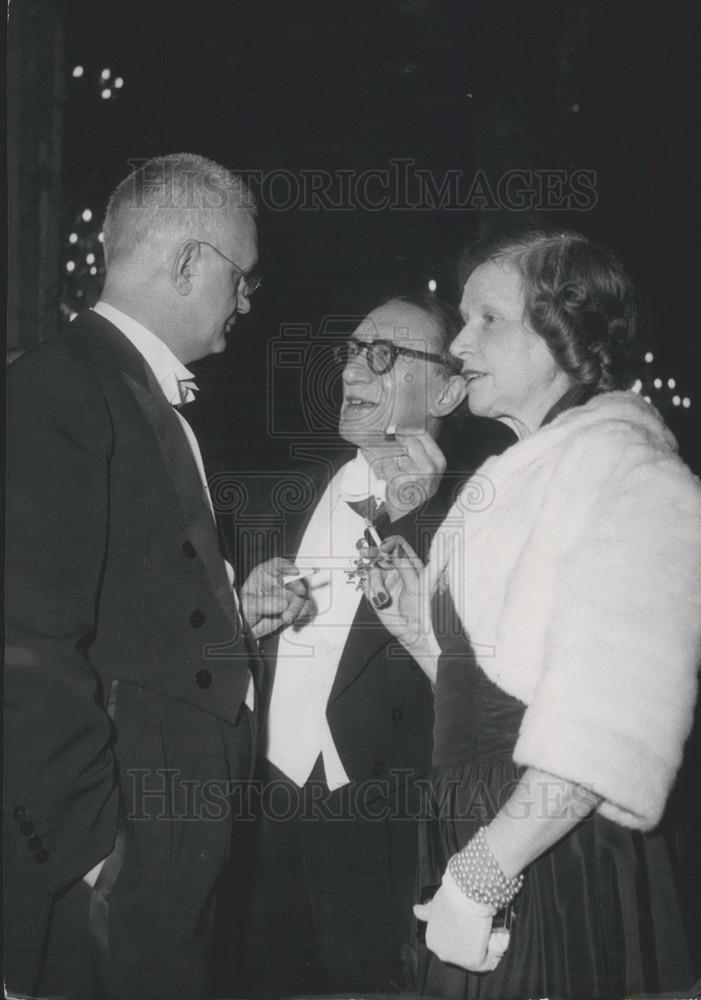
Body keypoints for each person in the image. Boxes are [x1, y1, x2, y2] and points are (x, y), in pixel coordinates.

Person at [363, 230, 701, 999]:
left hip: (543, 853)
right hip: (474, 825)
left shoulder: (631, 475)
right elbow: (494, 686)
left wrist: (481, 877)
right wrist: (418, 628)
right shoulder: (513, 478)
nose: (457, 341)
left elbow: (601, 731)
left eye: (487, 319)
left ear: (561, 336)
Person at [4, 153, 305, 999]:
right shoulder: (57, 390)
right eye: (241, 278)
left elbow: (118, 610)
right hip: (120, 850)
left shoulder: (128, 388)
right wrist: (93, 850)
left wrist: (229, 617)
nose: (247, 301)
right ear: (186, 264)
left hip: (172, 836)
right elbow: (22, 639)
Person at [234, 295, 488, 997]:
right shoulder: (274, 501)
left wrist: (417, 517)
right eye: (352, 349)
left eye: (383, 355)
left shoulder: (477, 518)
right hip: (263, 822)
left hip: (384, 842)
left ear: (447, 389)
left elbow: (486, 692)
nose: (353, 370)